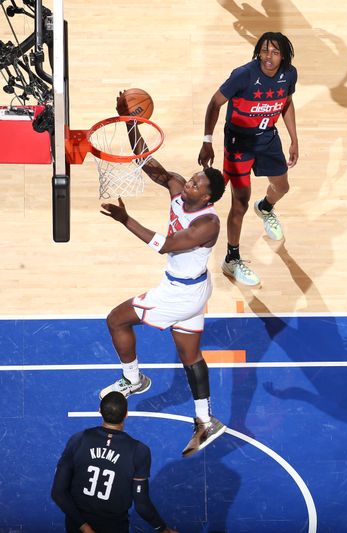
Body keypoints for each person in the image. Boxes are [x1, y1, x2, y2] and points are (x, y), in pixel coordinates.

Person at [99, 96, 227, 458]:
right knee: (191, 355)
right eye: (192, 179)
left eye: (197, 184)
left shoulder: (207, 224)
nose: (190, 183)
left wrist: (127, 221)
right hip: (196, 290)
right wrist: (129, 122)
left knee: (116, 320)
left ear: (208, 197)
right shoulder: (177, 188)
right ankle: (205, 420)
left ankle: (134, 379)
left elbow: (167, 244)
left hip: (179, 294)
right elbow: (148, 164)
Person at [198, 31, 299, 287]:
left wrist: (294, 138)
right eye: (265, 50)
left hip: (268, 139)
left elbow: (286, 103)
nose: (269, 56)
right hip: (239, 144)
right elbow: (215, 103)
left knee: (283, 187)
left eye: (275, 52)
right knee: (239, 204)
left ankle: (265, 207)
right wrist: (207, 141)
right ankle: (232, 258)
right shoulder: (243, 74)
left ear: (283, 56)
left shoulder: (290, 74)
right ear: (258, 51)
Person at [51, 392, 178, 533]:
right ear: (126, 415)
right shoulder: (139, 451)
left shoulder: (78, 439)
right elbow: (142, 505)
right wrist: (162, 528)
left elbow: (58, 493)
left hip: (77, 527)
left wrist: (85, 528)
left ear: (100, 411)